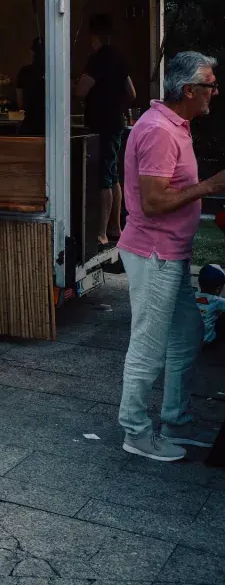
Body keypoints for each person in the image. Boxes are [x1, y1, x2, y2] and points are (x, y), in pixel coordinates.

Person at [118, 52, 225, 462]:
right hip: (155, 253)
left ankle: (176, 421)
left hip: (170, 252)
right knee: (148, 347)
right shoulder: (160, 130)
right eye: (210, 85)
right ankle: (135, 431)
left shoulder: (174, 124)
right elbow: (154, 202)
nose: (215, 91)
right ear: (188, 90)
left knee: (188, 334)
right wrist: (209, 186)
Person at [75, 14, 136, 250]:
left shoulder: (97, 59)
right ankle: (115, 228)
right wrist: (117, 105)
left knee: (103, 178)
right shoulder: (119, 58)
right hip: (116, 123)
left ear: (94, 37)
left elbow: (81, 90)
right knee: (113, 175)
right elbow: (132, 92)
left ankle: (101, 233)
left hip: (101, 125)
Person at [16, 38, 46, 136]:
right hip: (49, 124)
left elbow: (20, 101)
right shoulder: (53, 73)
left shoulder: (24, 72)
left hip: (29, 123)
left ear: (32, 52)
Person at [196, 264, 225, 345]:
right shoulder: (217, 301)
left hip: (191, 338)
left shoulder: (192, 296)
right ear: (218, 288)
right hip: (207, 341)